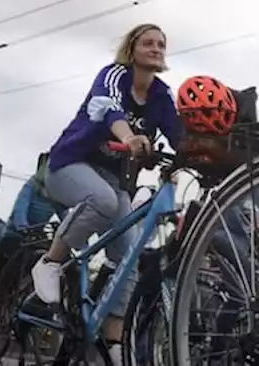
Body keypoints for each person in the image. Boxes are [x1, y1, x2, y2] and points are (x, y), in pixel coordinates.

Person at [29, 23, 185, 365]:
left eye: (161, 44)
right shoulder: (114, 75)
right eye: (148, 43)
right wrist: (129, 137)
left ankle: (113, 342)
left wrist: (196, 156)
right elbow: (107, 107)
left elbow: (177, 133)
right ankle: (50, 262)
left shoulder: (161, 94)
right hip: (69, 165)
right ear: (132, 49)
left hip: (114, 181)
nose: (156, 48)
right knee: (103, 201)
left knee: (128, 257)